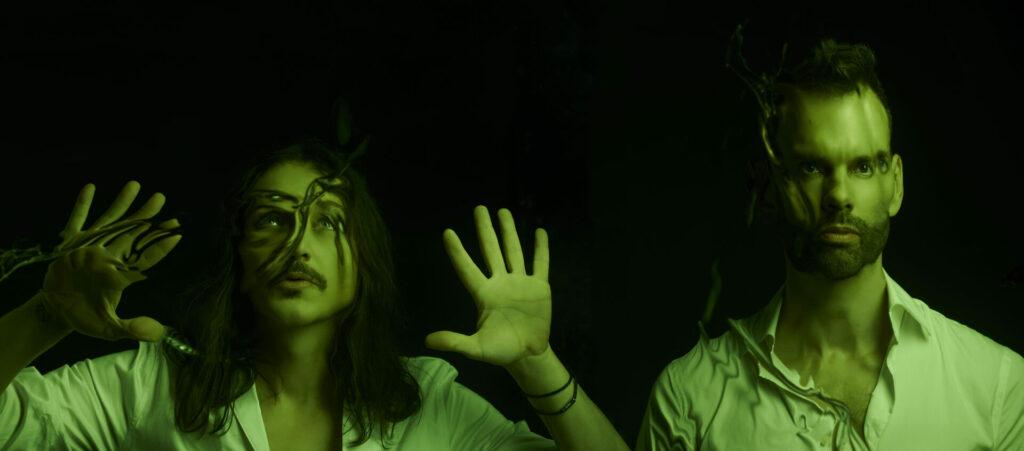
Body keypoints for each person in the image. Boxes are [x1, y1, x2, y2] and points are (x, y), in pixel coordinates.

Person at [0, 138, 630, 450]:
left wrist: (534, 360)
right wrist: (45, 315)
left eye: (329, 220)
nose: (300, 244)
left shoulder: (428, 406)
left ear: (364, 263)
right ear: (239, 258)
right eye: (272, 218)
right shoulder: (154, 384)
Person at [636, 37, 1024, 450]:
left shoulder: (996, 387)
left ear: (896, 184)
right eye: (812, 166)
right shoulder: (689, 399)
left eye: (862, 166)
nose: (839, 195)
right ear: (767, 188)